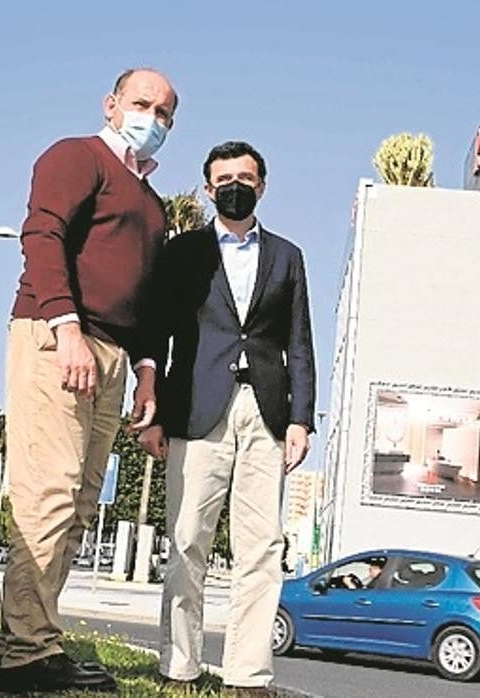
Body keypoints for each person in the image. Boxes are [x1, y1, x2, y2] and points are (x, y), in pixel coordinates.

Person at [0, 68, 178, 694]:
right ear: (112, 103)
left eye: (166, 112)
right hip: (58, 337)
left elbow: (151, 302)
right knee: (49, 491)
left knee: (77, 505)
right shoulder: (77, 157)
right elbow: (43, 234)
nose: (153, 117)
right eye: (143, 103)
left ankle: (32, 638)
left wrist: (149, 375)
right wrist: (66, 329)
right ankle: (26, 654)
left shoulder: (152, 205)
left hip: (116, 357)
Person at [139, 141, 315, 693]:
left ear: (262, 186)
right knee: (187, 537)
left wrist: (301, 419)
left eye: (246, 177)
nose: (235, 186)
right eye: (224, 178)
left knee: (260, 548)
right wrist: (153, 417)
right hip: (195, 408)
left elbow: (299, 343)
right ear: (209, 188)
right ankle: (179, 665)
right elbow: (158, 332)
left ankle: (248, 674)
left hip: (265, 411)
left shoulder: (287, 256)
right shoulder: (182, 252)